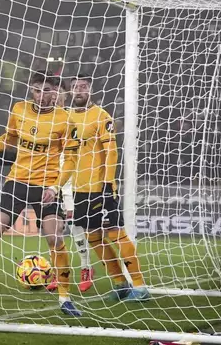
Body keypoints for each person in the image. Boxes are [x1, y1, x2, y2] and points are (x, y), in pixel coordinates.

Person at [0, 70, 83, 317]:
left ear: (56, 92)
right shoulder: (19, 109)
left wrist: (55, 187)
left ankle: (64, 298)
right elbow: (8, 140)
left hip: (46, 186)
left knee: (54, 236)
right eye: (36, 90)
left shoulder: (66, 120)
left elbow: (70, 159)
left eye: (46, 90)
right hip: (17, 180)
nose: (40, 95)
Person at [68, 74, 149, 301]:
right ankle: (119, 283)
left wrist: (108, 183)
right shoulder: (66, 117)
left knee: (115, 234)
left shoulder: (101, 116)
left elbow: (112, 152)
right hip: (79, 188)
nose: (79, 91)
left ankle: (140, 287)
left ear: (90, 90)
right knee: (93, 236)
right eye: (74, 87)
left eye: (83, 87)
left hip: (100, 187)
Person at [46, 87, 93, 293]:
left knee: (75, 226)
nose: (54, 100)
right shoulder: (42, 120)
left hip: (69, 182)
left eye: (58, 97)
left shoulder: (70, 120)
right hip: (47, 178)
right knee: (52, 230)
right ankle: (59, 272)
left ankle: (86, 268)